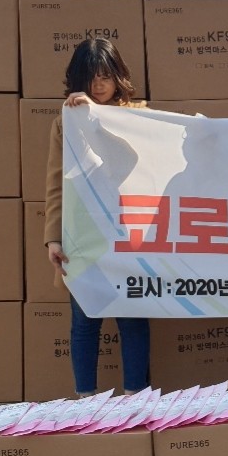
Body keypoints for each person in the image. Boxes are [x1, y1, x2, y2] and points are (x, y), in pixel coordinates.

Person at [45, 38, 151, 397]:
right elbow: (56, 183)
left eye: (105, 75)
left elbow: (136, 161)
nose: (99, 84)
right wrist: (53, 238)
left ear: (118, 76)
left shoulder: (138, 114)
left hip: (129, 231)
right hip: (83, 233)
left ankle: (135, 398)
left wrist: (95, 120)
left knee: (132, 318)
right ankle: (85, 401)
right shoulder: (65, 121)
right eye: (91, 77)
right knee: (85, 320)